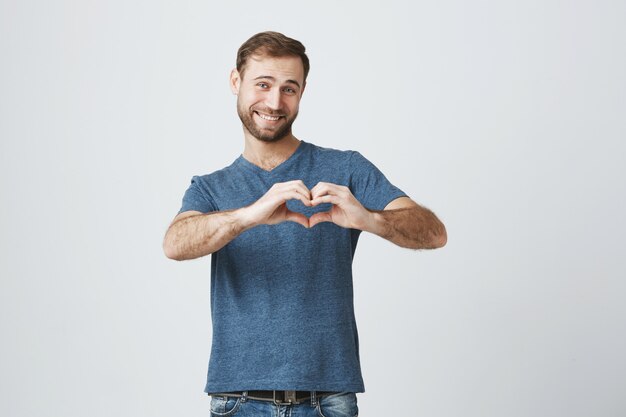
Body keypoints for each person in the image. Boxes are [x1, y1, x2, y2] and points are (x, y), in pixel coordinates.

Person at [163, 31, 447, 417]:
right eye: (262, 84)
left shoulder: (345, 168)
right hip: (238, 401)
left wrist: (368, 218)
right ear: (236, 82)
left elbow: (433, 232)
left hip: (328, 400)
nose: (274, 102)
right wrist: (251, 214)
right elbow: (175, 243)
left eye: (289, 89)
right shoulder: (211, 188)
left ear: (302, 92)